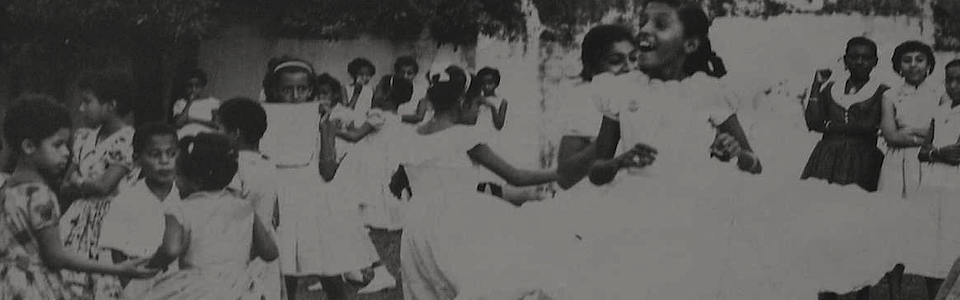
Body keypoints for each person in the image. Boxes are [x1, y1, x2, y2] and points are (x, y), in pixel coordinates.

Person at [399, 24, 637, 300]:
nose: (480, 109)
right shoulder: (465, 137)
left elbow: (405, 180)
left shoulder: (410, 136)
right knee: (482, 278)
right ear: (464, 102)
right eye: (478, 104)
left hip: (415, 226)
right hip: (457, 222)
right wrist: (558, 173)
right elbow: (516, 176)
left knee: (428, 285)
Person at [0, 95, 157, 300]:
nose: (66, 153)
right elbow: (55, 256)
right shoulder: (40, 195)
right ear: (29, 147)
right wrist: (117, 269)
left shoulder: (6, 187)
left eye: (67, 145)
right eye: (57, 145)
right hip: (32, 288)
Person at [259, 57, 381, 300]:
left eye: (302, 89)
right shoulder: (266, 119)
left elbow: (327, 172)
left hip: (313, 196)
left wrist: (327, 131)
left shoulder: (320, 120)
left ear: (311, 91)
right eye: (287, 89)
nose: (295, 96)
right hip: (279, 195)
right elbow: (265, 162)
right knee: (285, 268)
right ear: (274, 90)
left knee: (328, 264)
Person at [125, 133, 278, 300]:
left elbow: (171, 249)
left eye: (179, 176)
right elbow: (270, 252)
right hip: (240, 289)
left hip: (199, 290)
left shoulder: (181, 211)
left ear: (196, 181)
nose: (175, 182)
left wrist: (151, 265)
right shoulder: (244, 207)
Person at [59, 71, 140, 300]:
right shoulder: (84, 137)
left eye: (87, 102)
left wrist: (78, 182)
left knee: (105, 283)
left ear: (110, 105)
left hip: (110, 222)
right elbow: (65, 184)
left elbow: (105, 187)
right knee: (69, 279)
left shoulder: (128, 139)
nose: (81, 109)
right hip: (77, 219)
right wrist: (85, 184)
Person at [98, 123, 181, 296]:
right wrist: (131, 290)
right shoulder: (125, 201)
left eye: (171, 153)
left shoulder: (184, 197)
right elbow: (116, 253)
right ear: (137, 159)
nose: (165, 161)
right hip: (138, 286)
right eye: (155, 154)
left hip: (179, 287)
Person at [801, 37, 888, 192]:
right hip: (826, 158)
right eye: (854, 57)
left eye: (866, 58)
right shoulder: (831, 89)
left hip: (862, 159)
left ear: (875, 62)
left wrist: (829, 126)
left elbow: (868, 126)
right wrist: (816, 85)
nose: (859, 62)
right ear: (845, 60)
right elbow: (813, 122)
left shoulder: (881, 91)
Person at [218, 97, 284, 299]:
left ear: (236, 133)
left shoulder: (234, 169)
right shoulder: (268, 164)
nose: (217, 134)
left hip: (242, 252)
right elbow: (276, 213)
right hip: (265, 246)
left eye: (220, 129)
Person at [878, 41, 942, 199]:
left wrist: (910, 131)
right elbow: (891, 136)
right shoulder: (890, 96)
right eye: (907, 60)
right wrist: (925, 136)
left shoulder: (940, 94)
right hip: (899, 161)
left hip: (932, 159)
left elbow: (942, 133)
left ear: (928, 65)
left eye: (919, 60)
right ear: (899, 66)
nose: (913, 65)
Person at [172, 69, 220, 138]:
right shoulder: (180, 103)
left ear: (203, 86)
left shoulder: (212, 102)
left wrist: (192, 120)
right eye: (189, 86)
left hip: (205, 137)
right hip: (185, 137)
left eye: (197, 86)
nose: (193, 89)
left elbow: (216, 124)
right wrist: (189, 103)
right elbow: (178, 124)